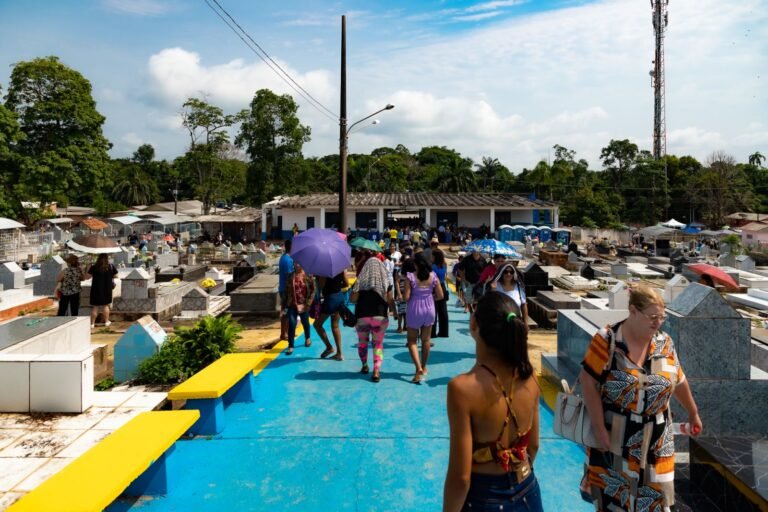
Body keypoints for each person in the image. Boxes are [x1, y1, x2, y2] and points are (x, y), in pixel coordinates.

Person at [579, 285, 702, 510]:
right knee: (614, 503)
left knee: (655, 504)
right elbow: (588, 381)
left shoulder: (665, 343)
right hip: (615, 436)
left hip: (657, 440)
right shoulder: (607, 340)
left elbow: (679, 380)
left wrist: (693, 412)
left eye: (662, 317)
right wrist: (598, 429)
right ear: (633, 311)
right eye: (652, 317)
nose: (658, 322)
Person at [443, 293, 542, 511]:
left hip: (483, 498)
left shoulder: (462, 389)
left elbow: (461, 478)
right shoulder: (530, 377)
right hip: (528, 491)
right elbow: (533, 446)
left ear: (474, 324)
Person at [349, 256, 396, 382]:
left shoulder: (360, 280)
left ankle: (364, 366)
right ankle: (376, 370)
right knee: (378, 344)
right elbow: (390, 299)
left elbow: (352, 299)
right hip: (379, 317)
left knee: (363, 343)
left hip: (362, 316)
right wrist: (395, 312)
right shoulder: (386, 280)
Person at [404, 253, 443, 384]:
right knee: (426, 340)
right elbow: (441, 295)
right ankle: (424, 367)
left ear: (416, 264)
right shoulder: (433, 276)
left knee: (412, 341)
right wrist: (431, 298)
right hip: (429, 308)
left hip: (414, 308)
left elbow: (406, 297)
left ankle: (418, 368)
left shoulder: (410, 277)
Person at [314, 270, 348, 361]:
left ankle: (329, 347)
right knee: (335, 326)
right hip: (339, 297)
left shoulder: (324, 271)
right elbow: (346, 283)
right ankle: (339, 353)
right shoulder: (340, 268)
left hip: (330, 299)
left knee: (317, 324)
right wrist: (336, 286)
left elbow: (321, 286)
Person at [284, 262, 315, 355]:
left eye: (299, 263)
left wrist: (309, 303)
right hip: (292, 304)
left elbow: (313, 290)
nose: (297, 265)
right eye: (295, 263)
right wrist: (284, 304)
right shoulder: (290, 276)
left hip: (304, 304)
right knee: (292, 323)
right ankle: (290, 345)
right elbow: (286, 290)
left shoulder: (308, 276)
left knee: (305, 322)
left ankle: (308, 338)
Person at [86, 254, 118, 329]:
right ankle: (106, 321)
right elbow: (116, 276)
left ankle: (92, 323)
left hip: (96, 289)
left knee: (95, 306)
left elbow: (87, 277)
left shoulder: (94, 267)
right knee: (106, 305)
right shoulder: (110, 266)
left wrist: (88, 267)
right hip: (107, 289)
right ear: (107, 259)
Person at [431, 248, 450, 338]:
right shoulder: (444, 264)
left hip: (434, 287)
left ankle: (432, 332)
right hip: (442, 286)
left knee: (433, 310)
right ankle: (444, 332)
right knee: (443, 311)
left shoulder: (432, 266)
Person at [278, 240, 294, 341]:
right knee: (286, 312)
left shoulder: (285, 258)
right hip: (286, 290)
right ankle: (284, 334)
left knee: (286, 311)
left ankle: (285, 333)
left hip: (284, 288)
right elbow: (289, 277)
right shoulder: (287, 260)